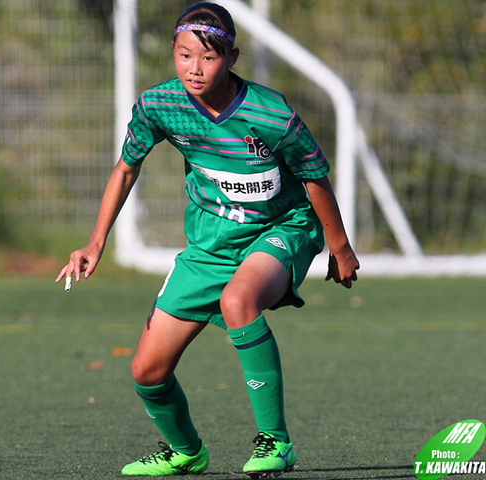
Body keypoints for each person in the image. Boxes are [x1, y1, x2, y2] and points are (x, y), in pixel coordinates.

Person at [57, 2, 359, 477]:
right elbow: (126, 167)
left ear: (232, 58)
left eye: (208, 57)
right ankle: (186, 451)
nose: (194, 69)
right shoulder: (161, 106)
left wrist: (339, 247)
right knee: (146, 372)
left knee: (240, 300)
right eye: (183, 55)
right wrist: (95, 242)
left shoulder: (271, 114)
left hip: (282, 230)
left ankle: (276, 442)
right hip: (209, 247)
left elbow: (316, 177)